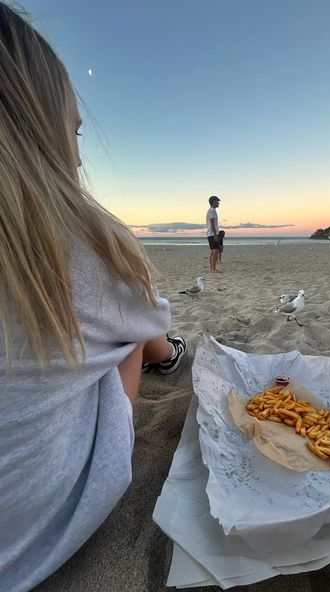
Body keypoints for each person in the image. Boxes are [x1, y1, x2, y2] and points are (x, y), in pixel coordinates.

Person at [0, 4, 185, 591]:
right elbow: (144, 334)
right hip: (28, 541)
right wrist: (160, 346)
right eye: (73, 133)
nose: (78, 155)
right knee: (131, 335)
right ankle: (175, 353)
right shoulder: (78, 239)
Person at [206, 195, 221, 273]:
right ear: (213, 202)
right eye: (217, 201)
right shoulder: (212, 210)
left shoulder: (210, 210)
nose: (218, 203)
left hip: (210, 233)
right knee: (215, 250)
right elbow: (212, 222)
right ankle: (213, 268)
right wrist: (215, 234)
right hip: (212, 234)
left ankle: (212, 268)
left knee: (213, 250)